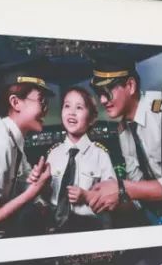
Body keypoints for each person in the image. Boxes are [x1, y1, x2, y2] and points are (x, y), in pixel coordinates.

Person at [0, 63, 54, 236]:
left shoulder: (11, 138)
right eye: (42, 101)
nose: (46, 109)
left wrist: (35, 187)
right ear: (15, 102)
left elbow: (24, 178)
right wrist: (32, 192)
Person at [84, 52, 162, 223]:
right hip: (156, 215)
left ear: (130, 86)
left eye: (108, 91)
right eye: (99, 93)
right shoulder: (123, 129)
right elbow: (136, 179)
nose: (103, 100)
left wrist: (122, 189)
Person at [45, 87, 117, 232]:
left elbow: (111, 199)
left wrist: (87, 197)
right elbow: (47, 195)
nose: (71, 112)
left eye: (79, 107)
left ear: (92, 118)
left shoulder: (100, 155)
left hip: (90, 227)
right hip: (55, 228)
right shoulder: (53, 154)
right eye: (67, 106)